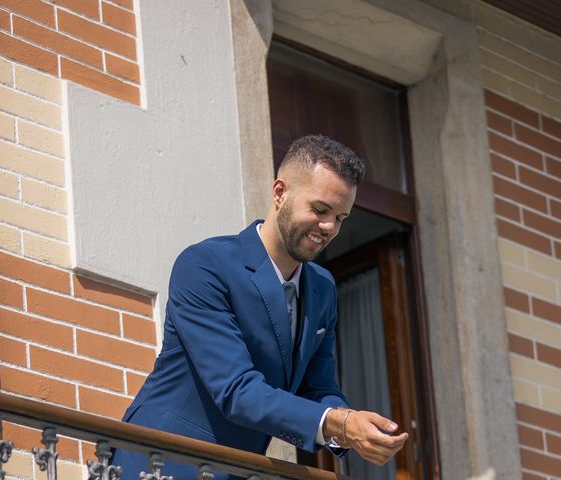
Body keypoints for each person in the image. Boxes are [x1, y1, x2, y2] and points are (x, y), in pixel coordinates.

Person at [112, 135, 408, 478]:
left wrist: (354, 428)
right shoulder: (205, 265)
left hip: (237, 471)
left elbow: (319, 388)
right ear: (280, 193)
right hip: (159, 465)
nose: (329, 228)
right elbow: (236, 390)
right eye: (319, 210)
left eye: (340, 218)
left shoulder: (323, 287)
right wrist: (340, 424)